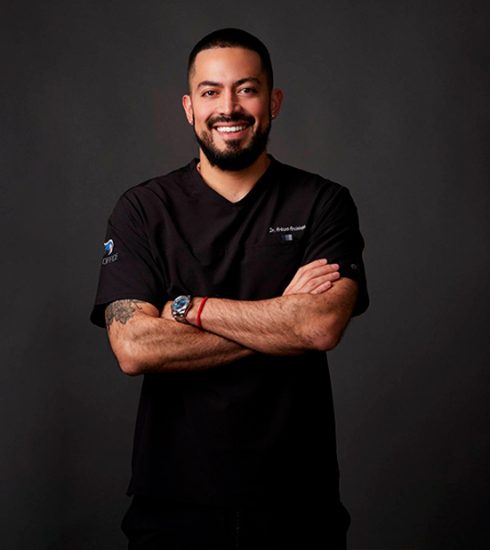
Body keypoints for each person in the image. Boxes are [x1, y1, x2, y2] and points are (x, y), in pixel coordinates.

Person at [91, 28, 368, 550]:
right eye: (211, 91)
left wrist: (186, 307)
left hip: (297, 502)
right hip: (173, 503)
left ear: (273, 101)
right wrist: (281, 318)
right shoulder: (142, 210)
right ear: (189, 108)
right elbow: (134, 347)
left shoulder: (322, 203)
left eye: (247, 89)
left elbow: (318, 325)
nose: (229, 107)